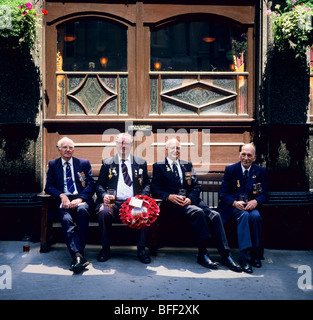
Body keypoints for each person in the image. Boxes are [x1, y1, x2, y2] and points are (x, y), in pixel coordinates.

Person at [151, 138, 242, 272]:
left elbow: (196, 186)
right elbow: (155, 188)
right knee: (197, 213)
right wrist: (169, 197)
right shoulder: (159, 166)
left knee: (215, 215)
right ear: (166, 150)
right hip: (173, 206)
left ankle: (225, 255)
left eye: (177, 148)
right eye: (172, 148)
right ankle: (203, 253)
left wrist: (190, 199)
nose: (175, 151)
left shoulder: (187, 165)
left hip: (190, 201)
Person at [95, 132, 151, 264]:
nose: (123, 146)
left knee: (143, 211)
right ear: (116, 145)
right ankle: (105, 248)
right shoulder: (108, 162)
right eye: (121, 143)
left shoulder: (140, 162)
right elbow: (99, 185)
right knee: (103, 212)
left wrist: (142, 197)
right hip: (113, 202)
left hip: (133, 202)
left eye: (127, 143)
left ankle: (141, 250)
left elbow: (147, 184)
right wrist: (104, 196)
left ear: (131, 146)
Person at [44, 137, 96, 273]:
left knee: (82, 211)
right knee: (66, 219)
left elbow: (91, 184)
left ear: (73, 150)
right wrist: (62, 195)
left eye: (70, 148)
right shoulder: (53, 164)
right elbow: (48, 186)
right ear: (59, 149)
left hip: (80, 199)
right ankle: (78, 256)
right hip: (64, 201)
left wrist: (80, 199)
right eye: (65, 147)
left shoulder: (83, 163)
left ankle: (78, 255)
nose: (68, 150)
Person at [217, 143, 268, 273]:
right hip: (233, 208)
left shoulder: (260, 171)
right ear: (239, 155)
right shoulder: (231, 170)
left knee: (256, 217)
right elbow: (222, 193)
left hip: (251, 206)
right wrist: (234, 203)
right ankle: (244, 257)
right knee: (244, 216)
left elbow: (265, 194)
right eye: (243, 154)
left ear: (254, 157)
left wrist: (256, 201)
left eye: (249, 155)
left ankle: (255, 254)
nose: (246, 158)